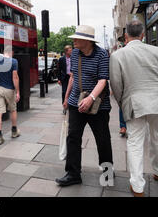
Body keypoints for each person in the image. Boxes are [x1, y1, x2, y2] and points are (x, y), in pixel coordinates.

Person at [56, 25, 113, 187]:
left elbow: (103, 80)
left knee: (103, 139)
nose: (73, 41)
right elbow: (73, 76)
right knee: (73, 137)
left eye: (76, 38)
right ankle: (73, 173)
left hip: (99, 105)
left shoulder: (102, 54)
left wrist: (91, 98)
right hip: (76, 101)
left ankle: (107, 172)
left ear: (87, 41)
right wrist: (66, 98)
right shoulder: (74, 53)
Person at [110, 19, 158, 197]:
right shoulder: (156, 51)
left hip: (134, 102)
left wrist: (123, 103)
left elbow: (115, 84)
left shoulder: (118, 55)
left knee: (135, 143)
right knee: (157, 138)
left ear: (126, 36)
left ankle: (137, 187)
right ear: (143, 35)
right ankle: (157, 170)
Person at [0, 45, 21, 145]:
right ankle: (14, 132)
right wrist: (17, 91)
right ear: (11, 52)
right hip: (9, 90)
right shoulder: (13, 61)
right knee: (13, 110)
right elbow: (15, 77)